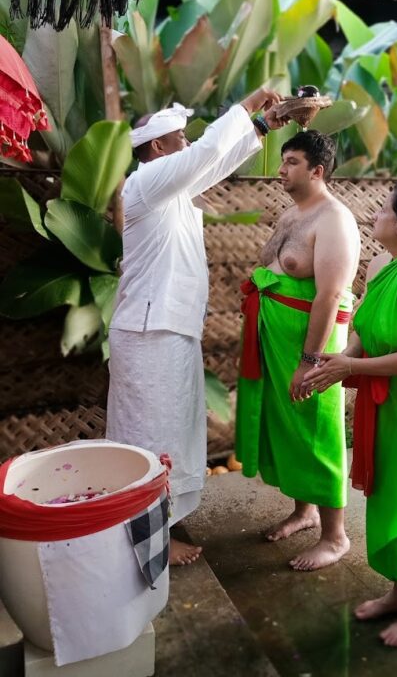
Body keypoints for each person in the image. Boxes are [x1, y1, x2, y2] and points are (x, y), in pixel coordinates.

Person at [107, 89, 288, 566]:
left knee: (169, 433)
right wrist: (248, 107)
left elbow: (212, 165)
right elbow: (206, 154)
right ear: (158, 148)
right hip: (151, 332)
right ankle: (148, 543)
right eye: (179, 139)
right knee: (149, 437)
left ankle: (157, 527)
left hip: (166, 329)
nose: (187, 145)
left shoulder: (172, 188)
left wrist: (264, 127)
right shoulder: (145, 182)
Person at [305, 180, 397, 645]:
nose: (375, 215)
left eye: (383, 209)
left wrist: (350, 364)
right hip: (381, 403)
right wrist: (341, 358)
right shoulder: (380, 264)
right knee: (387, 495)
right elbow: (365, 329)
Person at [236, 129, 361, 571]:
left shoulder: (334, 221)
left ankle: (336, 535)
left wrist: (309, 362)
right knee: (288, 428)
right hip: (276, 338)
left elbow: (329, 296)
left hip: (312, 345)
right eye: (283, 160)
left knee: (316, 431)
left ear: (317, 170)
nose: (281, 169)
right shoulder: (292, 215)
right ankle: (304, 511)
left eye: (291, 161)